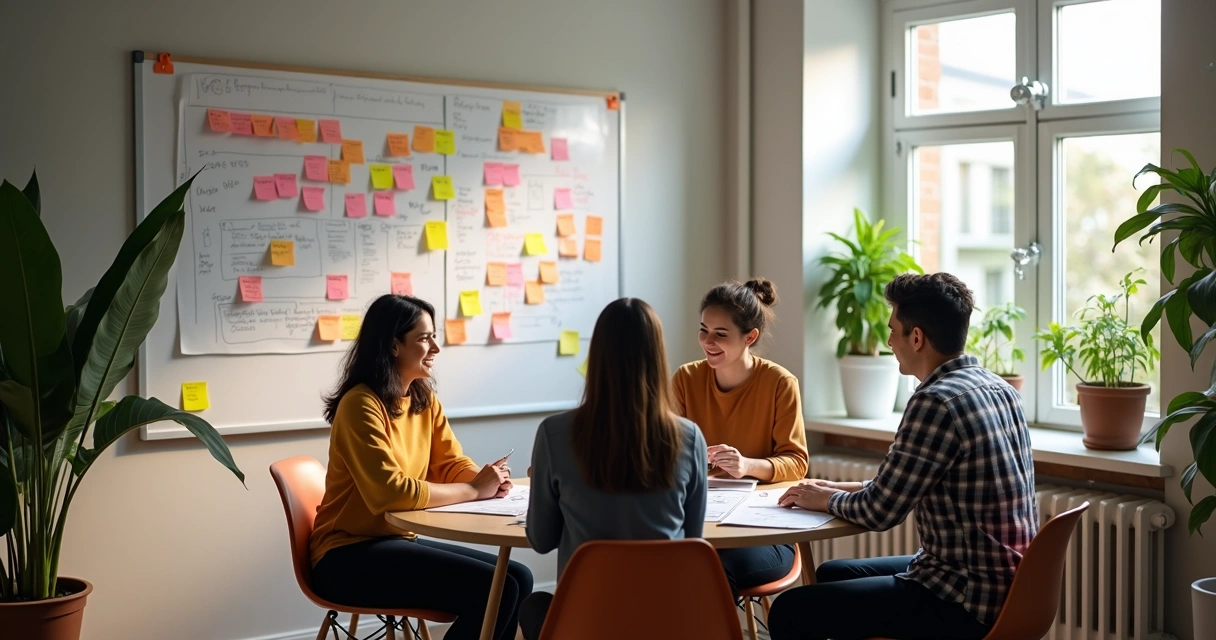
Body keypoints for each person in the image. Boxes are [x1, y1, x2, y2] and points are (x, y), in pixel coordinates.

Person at [768, 273, 1037, 640]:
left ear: (916, 337)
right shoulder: (998, 388)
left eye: (893, 329)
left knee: (791, 610)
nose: (889, 340)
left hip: (964, 598)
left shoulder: (935, 401)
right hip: (1009, 585)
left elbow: (881, 512)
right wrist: (831, 488)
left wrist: (827, 500)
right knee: (832, 574)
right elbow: (899, 486)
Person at [309, 294, 534, 640]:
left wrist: (483, 479)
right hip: (345, 556)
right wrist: (474, 490)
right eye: (424, 338)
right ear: (394, 345)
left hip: (397, 540)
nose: (435, 348)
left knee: (519, 578)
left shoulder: (422, 399)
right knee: (498, 590)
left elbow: (448, 463)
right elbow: (389, 493)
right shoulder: (360, 405)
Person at [518, 298, 708, 640]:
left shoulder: (555, 434)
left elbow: (541, 539)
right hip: (668, 621)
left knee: (534, 607)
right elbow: (693, 541)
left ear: (598, 357)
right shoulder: (689, 437)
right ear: (658, 357)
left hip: (586, 622)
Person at [672, 278, 809, 594]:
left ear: (750, 337)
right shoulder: (685, 379)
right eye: (703, 330)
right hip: (697, 525)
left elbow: (797, 462)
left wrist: (746, 465)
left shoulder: (779, 383)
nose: (708, 341)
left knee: (709, 571)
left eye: (721, 334)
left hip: (765, 531)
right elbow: (668, 453)